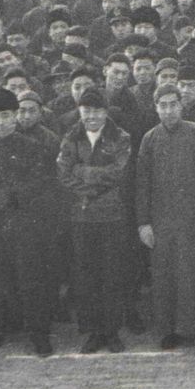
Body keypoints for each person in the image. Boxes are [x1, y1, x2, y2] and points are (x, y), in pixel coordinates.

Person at [0, 87, 60, 356]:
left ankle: (38, 334)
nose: (0, 121)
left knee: (31, 278)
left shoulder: (32, 147)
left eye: (6, 116)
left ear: (15, 116)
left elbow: (41, 182)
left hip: (23, 223)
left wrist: (10, 196)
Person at [135, 83, 195, 351]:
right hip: (162, 222)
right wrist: (144, 223)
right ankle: (169, 329)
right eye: (163, 105)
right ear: (156, 108)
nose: (169, 111)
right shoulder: (149, 139)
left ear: (181, 106)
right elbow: (142, 185)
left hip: (193, 221)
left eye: (173, 105)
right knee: (165, 276)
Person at [56, 88, 132, 354]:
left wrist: (83, 172)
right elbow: (64, 174)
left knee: (112, 273)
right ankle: (93, 331)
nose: (91, 116)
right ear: (79, 111)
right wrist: (87, 184)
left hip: (111, 215)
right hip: (82, 216)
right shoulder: (71, 137)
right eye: (86, 110)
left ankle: (111, 331)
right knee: (86, 275)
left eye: (97, 111)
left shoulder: (120, 137)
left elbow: (119, 173)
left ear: (106, 112)